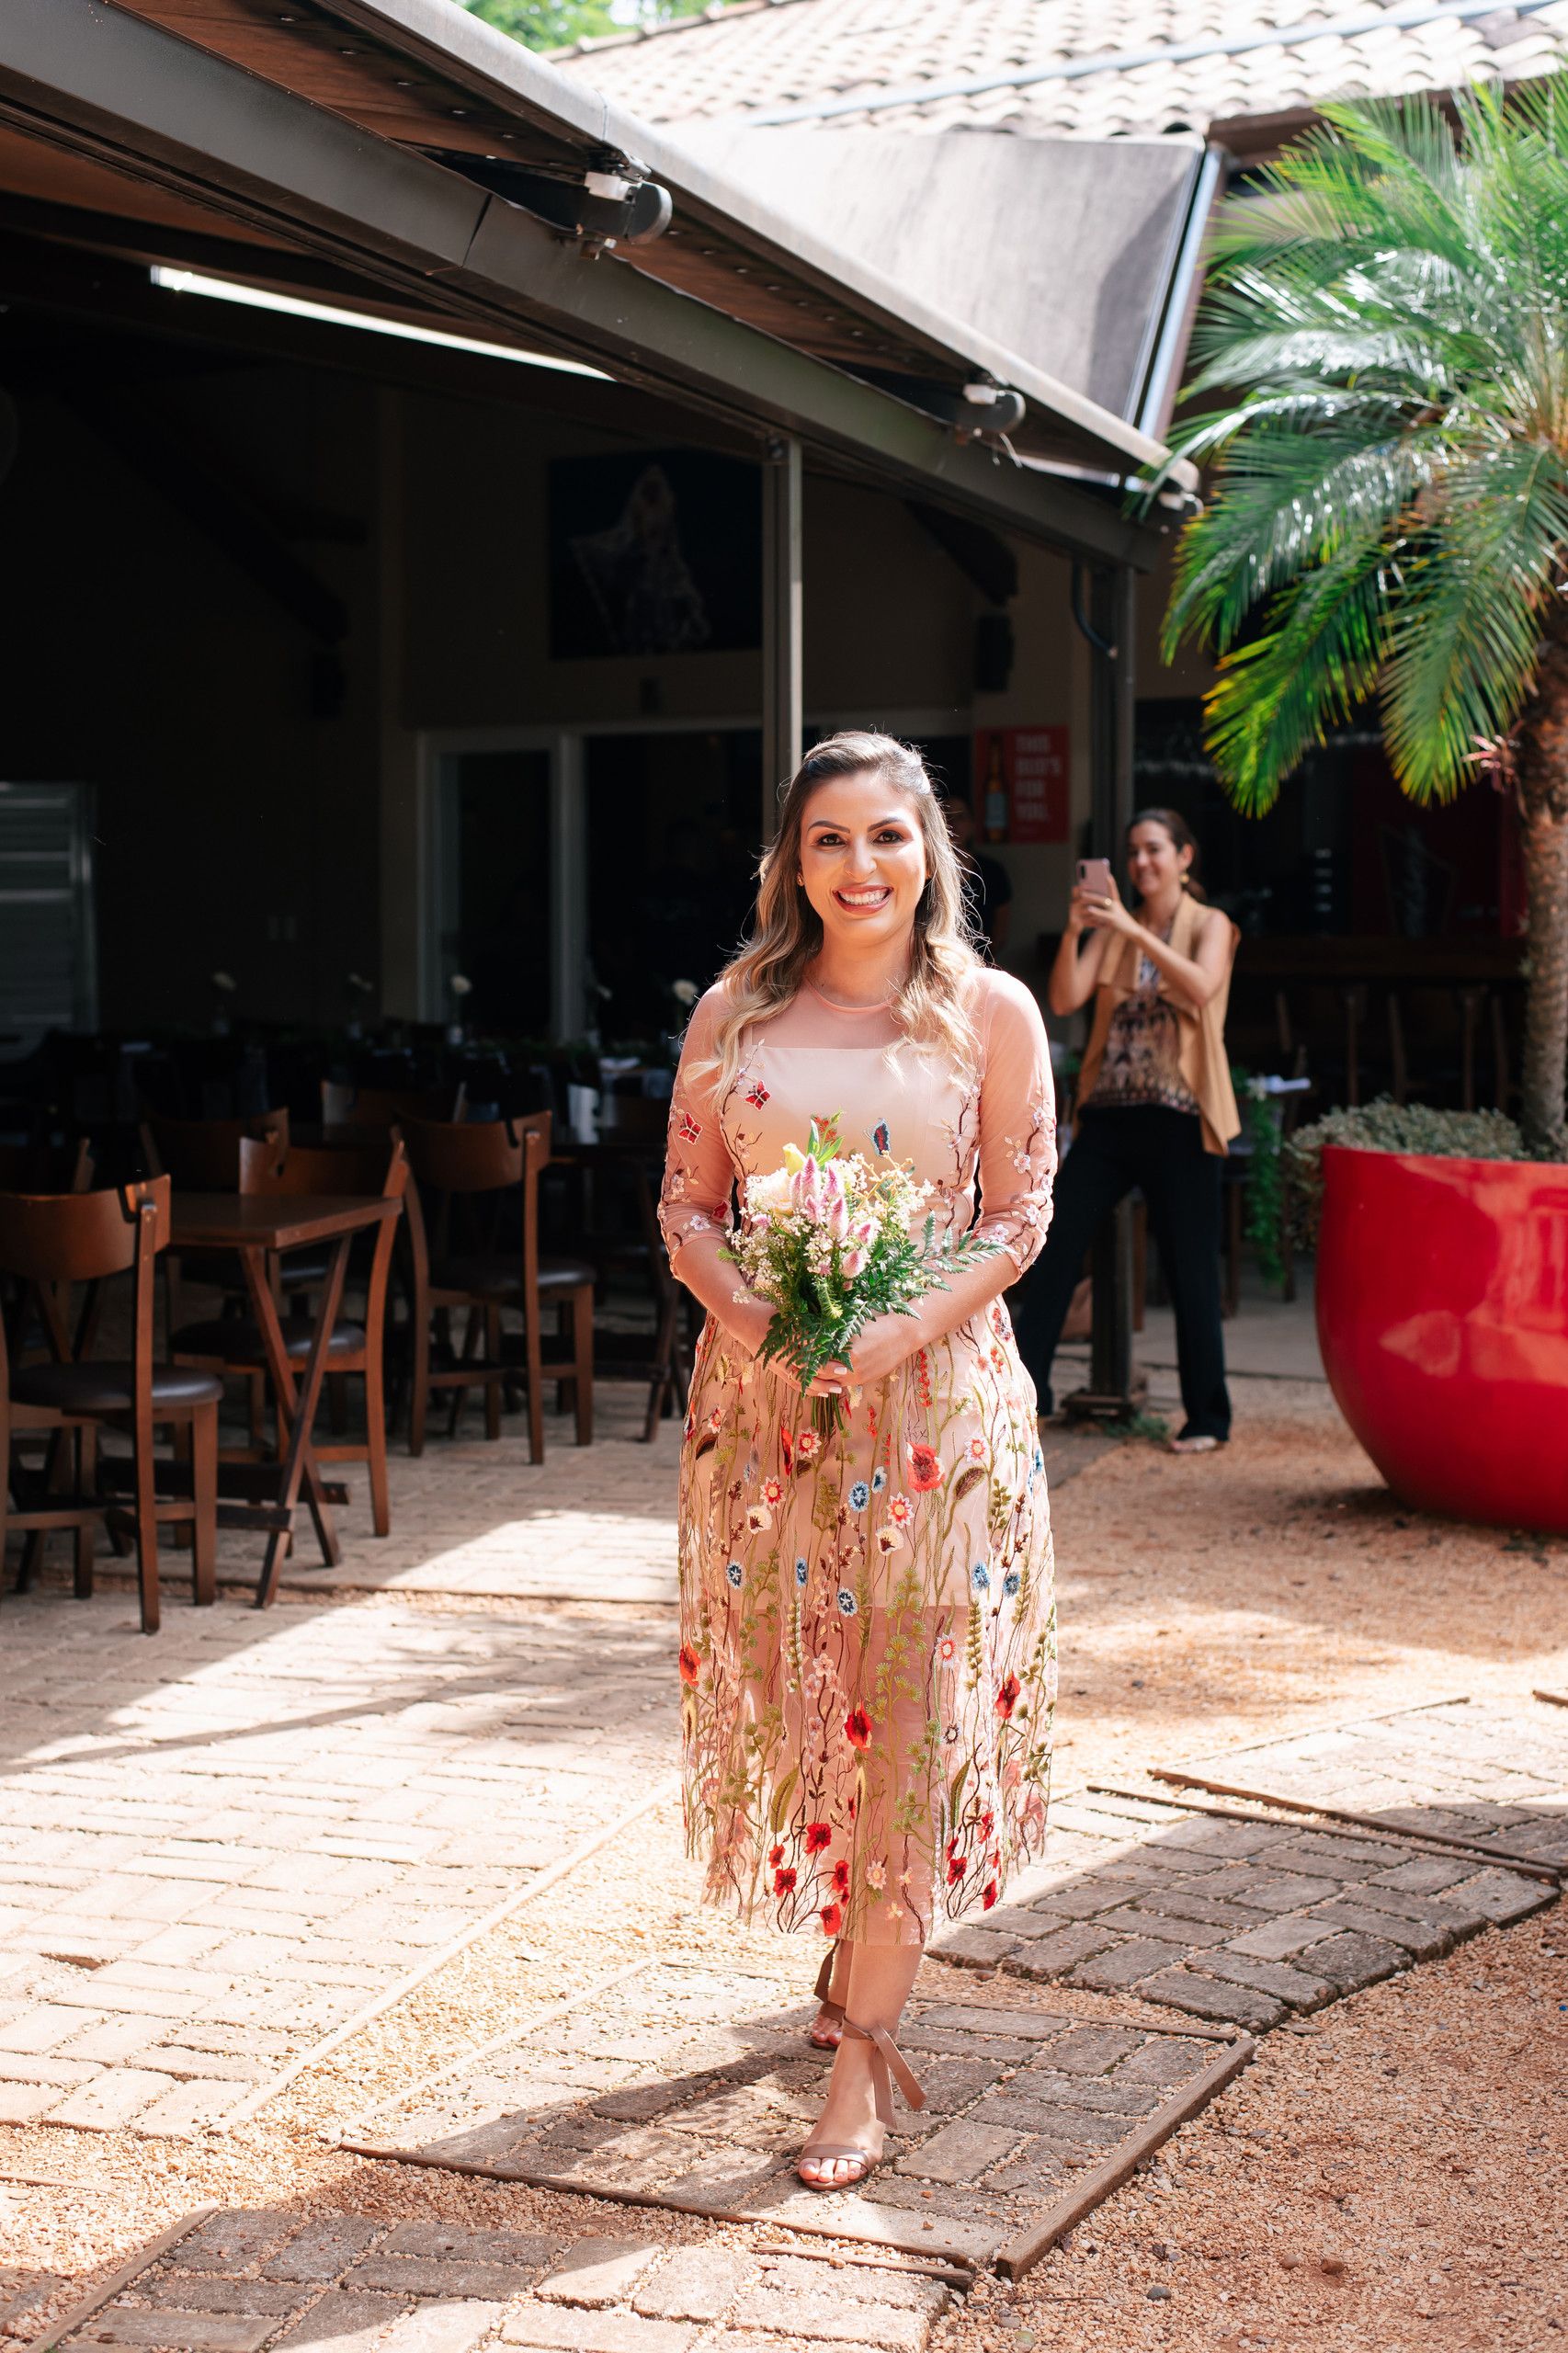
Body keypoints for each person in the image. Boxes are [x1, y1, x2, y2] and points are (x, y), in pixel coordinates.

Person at [658, 732, 1057, 2193]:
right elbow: (687, 1207)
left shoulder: (989, 1014)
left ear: (929, 852)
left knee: (914, 1698)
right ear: (792, 863)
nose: (860, 866)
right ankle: (860, 1939)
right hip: (766, 1413)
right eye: (828, 840)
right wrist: (762, 1319)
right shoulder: (734, 1012)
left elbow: (1016, 1217)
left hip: (937, 1413)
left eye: (887, 836)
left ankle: (858, 2069)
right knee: (813, 1689)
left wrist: (894, 1330)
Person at [1013, 808, 1240, 1453]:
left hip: (1181, 1114)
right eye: (1133, 852)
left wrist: (1134, 935)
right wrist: (1077, 932)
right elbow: (1064, 999)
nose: (1141, 863)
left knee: (1190, 1267)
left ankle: (1207, 1418)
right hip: (1110, 1113)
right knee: (1053, 1246)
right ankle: (1029, 1394)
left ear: (1184, 857)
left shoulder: (1210, 925)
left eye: (1154, 850)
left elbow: (1200, 987)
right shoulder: (1116, 927)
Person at [942, 791, 1013, 959]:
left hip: (982, 963)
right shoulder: (927, 872)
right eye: (947, 816)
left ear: (972, 824)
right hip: (937, 965)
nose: (954, 824)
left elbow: (1000, 931)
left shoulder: (992, 872)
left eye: (961, 817)